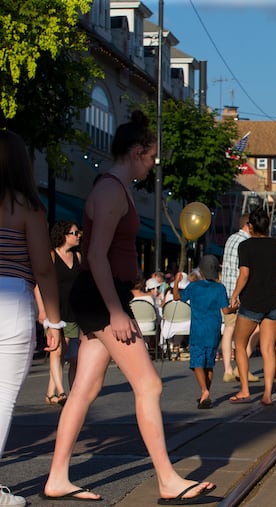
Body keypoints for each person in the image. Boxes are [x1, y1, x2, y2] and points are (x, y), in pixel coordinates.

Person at [43, 111, 215, 503]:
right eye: (151, 157)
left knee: (84, 388)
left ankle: (57, 477)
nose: (152, 164)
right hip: (103, 298)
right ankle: (168, 479)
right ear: (137, 151)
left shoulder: (116, 188)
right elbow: (97, 256)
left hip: (106, 296)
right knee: (150, 384)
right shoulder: (109, 191)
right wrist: (117, 311)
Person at [0, 129, 62, 507]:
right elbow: (43, 268)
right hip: (13, 304)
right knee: (2, 399)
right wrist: (53, 321)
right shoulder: (28, 207)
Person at [228, 207, 276, 406]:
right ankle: (267, 394)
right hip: (274, 303)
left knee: (239, 345)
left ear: (250, 227)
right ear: (267, 226)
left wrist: (235, 295)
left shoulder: (246, 246)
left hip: (251, 303)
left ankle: (244, 390)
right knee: (268, 349)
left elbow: (244, 275)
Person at [172, 255, 232, 409]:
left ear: (202, 272)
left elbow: (177, 297)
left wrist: (177, 281)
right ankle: (205, 393)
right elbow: (226, 310)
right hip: (213, 329)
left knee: (198, 362)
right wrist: (235, 306)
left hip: (197, 330)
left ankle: (204, 391)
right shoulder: (220, 288)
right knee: (209, 364)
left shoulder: (194, 286)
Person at [38, 220, 82, 405]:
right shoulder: (51, 257)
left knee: (69, 355)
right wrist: (42, 311)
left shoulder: (78, 257)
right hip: (54, 311)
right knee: (56, 351)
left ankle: (50, 393)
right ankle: (62, 393)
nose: (78, 235)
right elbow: (38, 285)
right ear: (64, 235)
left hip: (73, 311)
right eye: (74, 232)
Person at [220, 215, 258, 384]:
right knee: (255, 328)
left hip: (226, 291)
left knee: (229, 329)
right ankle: (242, 366)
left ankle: (227, 369)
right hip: (241, 291)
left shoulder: (230, 239)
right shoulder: (247, 243)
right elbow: (245, 271)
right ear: (248, 226)